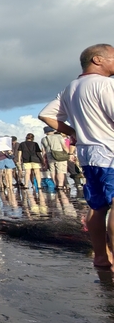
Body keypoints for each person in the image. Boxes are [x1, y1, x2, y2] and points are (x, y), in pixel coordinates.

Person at [39, 43, 114, 269]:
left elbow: (45, 114)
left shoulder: (71, 88)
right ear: (97, 60)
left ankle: (101, 257)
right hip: (110, 151)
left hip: (87, 155)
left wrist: (72, 132)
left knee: (98, 207)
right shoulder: (105, 85)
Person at [41, 126, 70, 192]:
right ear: (52, 131)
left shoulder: (43, 139)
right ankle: (60, 185)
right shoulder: (59, 136)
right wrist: (69, 154)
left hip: (49, 156)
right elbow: (64, 146)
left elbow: (43, 151)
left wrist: (44, 160)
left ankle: (56, 184)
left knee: (52, 170)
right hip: (60, 155)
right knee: (60, 170)